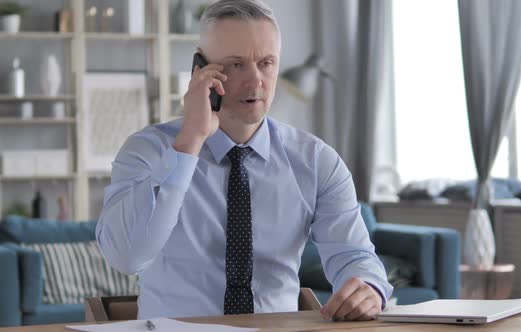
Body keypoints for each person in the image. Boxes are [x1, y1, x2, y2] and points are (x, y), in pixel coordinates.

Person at [96, 0, 393, 322]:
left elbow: (353, 254)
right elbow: (127, 256)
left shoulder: (316, 161)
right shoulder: (147, 150)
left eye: (266, 63)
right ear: (200, 68)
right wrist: (189, 143)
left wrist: (369, 287)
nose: (256, 82)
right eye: (236, 65)